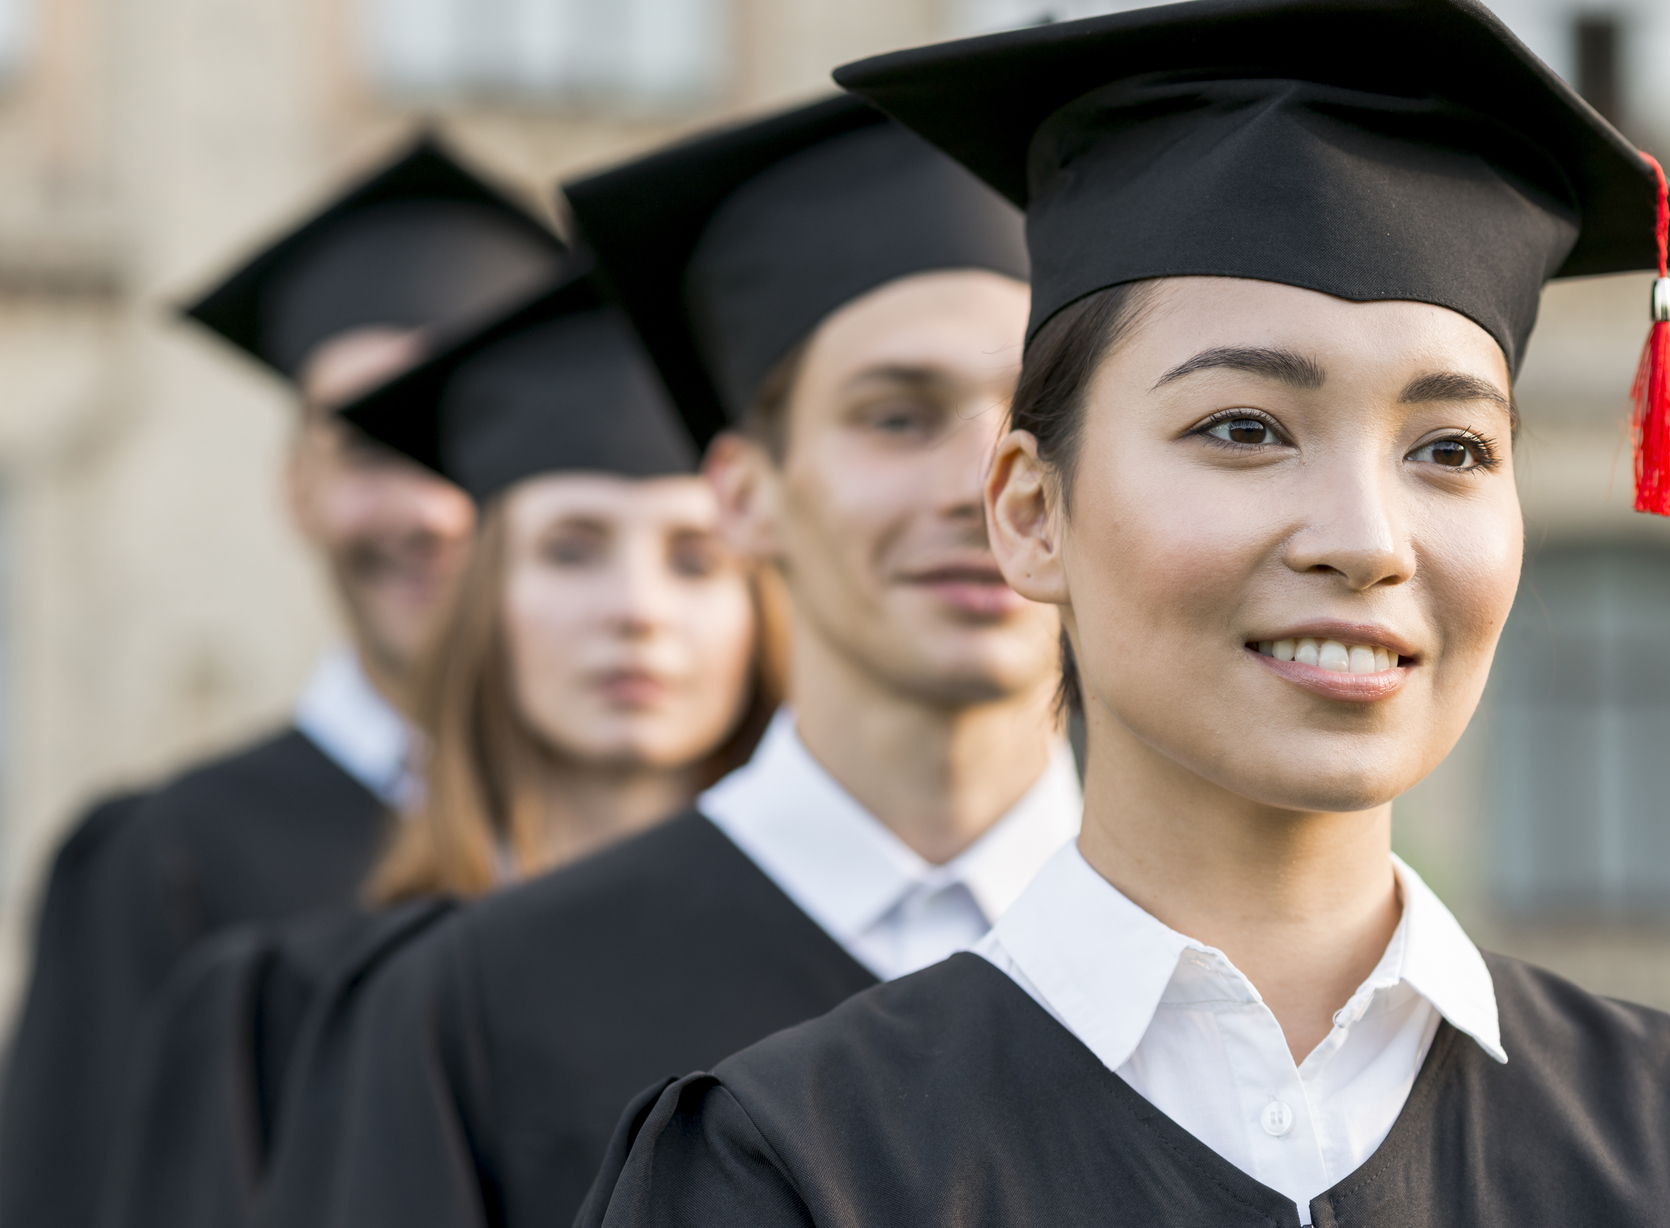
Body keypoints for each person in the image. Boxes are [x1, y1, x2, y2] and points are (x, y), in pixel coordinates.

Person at [578, 3, 1670, 1226]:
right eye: (1243, 429)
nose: (1364, 538)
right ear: (1028, 510)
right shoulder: (790, 1170)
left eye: (1451, 447)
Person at [255, 94, 1080, 1228]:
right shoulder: (475, 1011)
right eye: (897, 417)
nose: (983, 487)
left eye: (1036, 416)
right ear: (743, 495)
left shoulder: (1268, 986)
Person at [97, 267, 781, 1228]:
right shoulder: (291, 1009)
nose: (636, 610)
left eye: (697, 559)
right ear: (481, 603)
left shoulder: (860, 982)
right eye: (571, 549)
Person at [0, 134, 565, 1228]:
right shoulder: (161, 865)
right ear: (295, 489)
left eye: (471, 442)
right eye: (369, 451)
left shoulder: (678, 831)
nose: (430, 510)